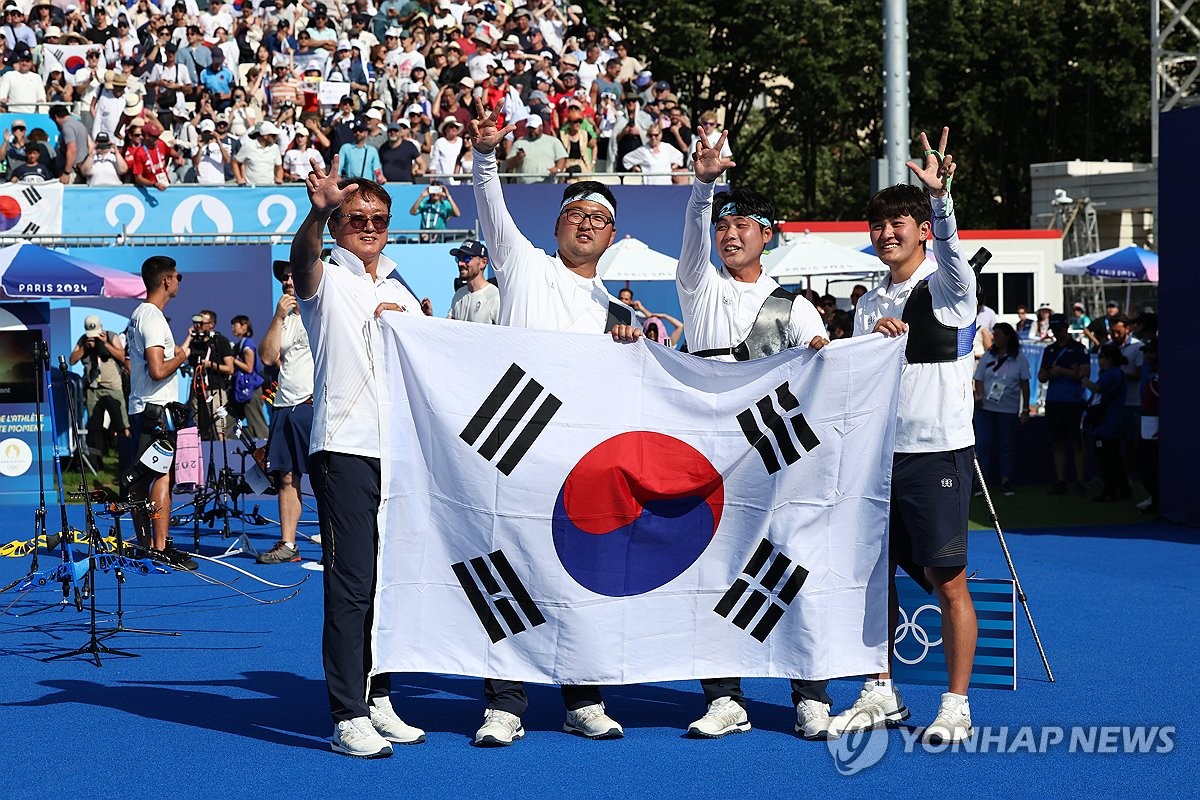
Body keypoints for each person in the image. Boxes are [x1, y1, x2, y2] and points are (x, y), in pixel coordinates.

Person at [468, 99, 639, 747]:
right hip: (514, 452)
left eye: (601, 219)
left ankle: (582, 698)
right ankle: (505, 703)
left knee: (580, 581)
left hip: (582, 463)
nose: (589, 225)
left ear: (612, 235)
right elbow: (490, 206)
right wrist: (486, 156)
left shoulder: (616, 308)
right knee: (507, 578)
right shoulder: (523, 264)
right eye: (579, 214)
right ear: (559, 222)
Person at [676, 131, 830, 740]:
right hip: (709, 453)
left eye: (743, 224)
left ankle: (810, 692)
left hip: (775, 457)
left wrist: (826, 356)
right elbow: (691, 246)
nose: (729, 233)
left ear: (768, 234)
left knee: (788, 569)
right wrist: (703, 187)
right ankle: (724, 695)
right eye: (723, 225)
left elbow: (826, 380)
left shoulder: (796, 308)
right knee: (714, 570)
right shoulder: (700, 289)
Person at [831, 128, 978, 745]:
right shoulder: (867, 302)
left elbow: (953, 253)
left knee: (949, 582)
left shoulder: (947, 288)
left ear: (921, 230)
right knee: (874, 581)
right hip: (876, 460)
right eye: (879, 225)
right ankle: (880, 689)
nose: (887, 233)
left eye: (900, 223)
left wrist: (940, 201)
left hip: (936, 451)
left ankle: (955, 704)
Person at [291, 158, 427, 758]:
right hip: (344, 449)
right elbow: (301, 259)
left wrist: (416, 328)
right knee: (351, 583)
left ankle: (379, 698)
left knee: (389, 583)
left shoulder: (398, 285)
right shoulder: (325, 279)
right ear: (339, 225)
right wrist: (317, 213)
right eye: (355, 219)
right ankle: (347, 713)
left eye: (376, 219)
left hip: (399, 453)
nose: (367, 228)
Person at [123, 255, 197, 570]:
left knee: (141, 480)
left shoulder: (139, 315)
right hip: (155, 411)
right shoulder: (152, 317)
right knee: (160, 478)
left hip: (143, 407)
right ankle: (160, 546)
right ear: (166, 280)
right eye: (178, 276)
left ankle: (144, 544)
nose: (180, 281)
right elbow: (156, 370)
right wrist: (182, 354)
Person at [257, 260, 316, 565]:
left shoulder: (319, 309)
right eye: (284, 278)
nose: (288, 282)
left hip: (312, 403)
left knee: (324, 478)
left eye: (293, 276)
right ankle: (289, 544)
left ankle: (338, 543)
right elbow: (267, 357)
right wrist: (279, 316)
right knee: (287, 477)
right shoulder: (287, 317)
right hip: (284, 404)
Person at [973, 322, 1030, 496]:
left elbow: (1025, 384)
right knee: (982, 445)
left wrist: (1025, 409)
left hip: (1008, 409)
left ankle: (1006, 481)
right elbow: (979, 379)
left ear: (1007, 336)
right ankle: (981, 483)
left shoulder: (1019, 358)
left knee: (1006, 445)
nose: (993, 338)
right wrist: (980, 396)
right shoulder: (988, 356)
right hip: (985, 409)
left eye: (997, 335)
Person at [1038, 313, 1091, 495]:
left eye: (1059, 329)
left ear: (1066, 327)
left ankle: (1080, 481)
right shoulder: (1049, 350)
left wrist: (1063, 371)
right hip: (1054, 401)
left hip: (1074, 401)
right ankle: (1060, 480)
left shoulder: (1078, 349)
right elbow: (1041, 376)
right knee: (1057, 442)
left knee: (1077, 443)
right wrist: (1051, 373)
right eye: (1054, 329)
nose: (1057, 332)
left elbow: (1085, 374)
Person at [68, 315, 129, 463]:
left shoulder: (111, 336)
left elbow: (122, 356)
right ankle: (98, 459)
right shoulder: (83, 340)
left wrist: (105, 344)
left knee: (122, 424)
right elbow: (72, 360)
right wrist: (85, 348)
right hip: (93, 388)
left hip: (112, 386)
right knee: (95, 426)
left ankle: (127, 455)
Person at [1081, 343, 1129, 501]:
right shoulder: (1116, 373)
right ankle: (1122, 488)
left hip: (1106, 423)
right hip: (1111, 422)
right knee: (1113, 457)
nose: (1099, 360)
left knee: (1107, 459)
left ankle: (1110, 490)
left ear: (1107, 358)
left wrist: (1082, 379)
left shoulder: (1111, 374)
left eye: (1101, 356)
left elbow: (1097, 389)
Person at [229, 315, 269, 440]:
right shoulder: (240, 345)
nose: (232, 328)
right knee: (230, 423)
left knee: (257, 424)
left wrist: (233, 360)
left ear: (244, 326)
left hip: (250, 390)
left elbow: (249, 368)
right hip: (240, 391)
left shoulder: (247, 345)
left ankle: (267, 450)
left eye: (235, 325)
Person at [446, 239, 499, 324]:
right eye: (458, 259)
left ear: (483, 262)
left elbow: (506, 334)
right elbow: (446, 328)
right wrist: (428, 316)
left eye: (466, 259)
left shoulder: (494, 297)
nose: (460, 263)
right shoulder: (459, 294)